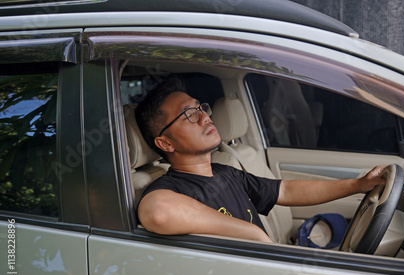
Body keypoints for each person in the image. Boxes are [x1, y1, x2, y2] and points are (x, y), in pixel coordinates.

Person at [135, 76, 387, 243]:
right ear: (165, 143)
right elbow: (157, 211)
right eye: (189, 115)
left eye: (200, 107)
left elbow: (284, 189)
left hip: (270, 263)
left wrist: (357, 185)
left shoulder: (224, 171)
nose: (204, 117)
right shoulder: (172, 189)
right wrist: (254, 234)